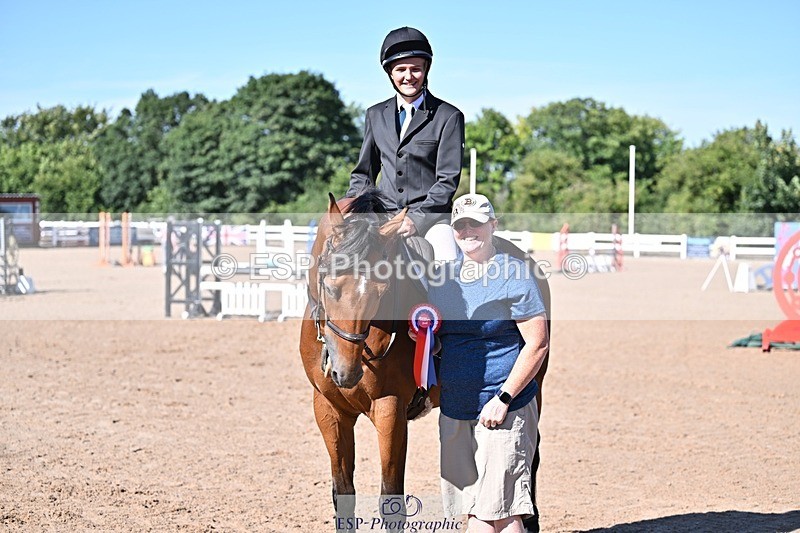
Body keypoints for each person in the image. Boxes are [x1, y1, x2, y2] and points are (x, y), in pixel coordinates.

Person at [427, 193, 549, 533]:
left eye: (476, 224)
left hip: (502, 410)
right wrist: (425, 340)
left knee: (498, 514)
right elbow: (445, 340)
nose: (468, 231)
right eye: (461, 225)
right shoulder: (442, 279)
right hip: (455, 410)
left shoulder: (514, 274)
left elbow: (538, 344)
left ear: (493, 225)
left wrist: (504, 398)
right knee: (478, 513)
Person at [347, 26, 465, 262]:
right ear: (390, 73)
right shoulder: (375, 114)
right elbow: (363, 174)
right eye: (401, 69)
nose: (408, 76)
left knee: (447, 262)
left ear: (425, 70)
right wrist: (352, 209)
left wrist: (416, 219)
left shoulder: (449, 116)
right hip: (382, 217)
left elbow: (447, 181)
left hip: (430, 220)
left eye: (415, 69)